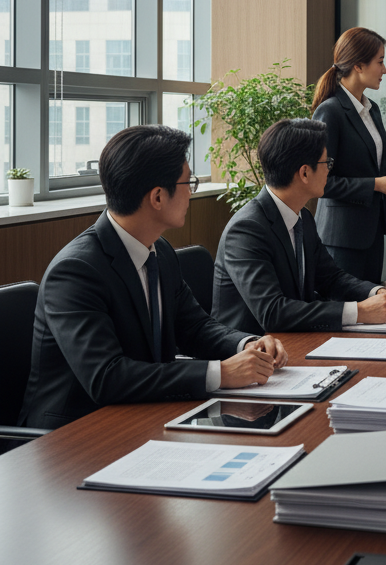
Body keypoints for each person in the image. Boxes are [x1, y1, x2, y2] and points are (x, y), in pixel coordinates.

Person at [20, 125, 286, 430]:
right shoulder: (75, 272)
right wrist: (221, 373)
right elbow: (107, 377)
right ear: (158, 197)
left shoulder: (158, 249)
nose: (190, 192)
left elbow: (194, 327)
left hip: (143, 416)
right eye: (188, 182)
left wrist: (247, 345)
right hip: (74, 435)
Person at [212, 118, 386, 334]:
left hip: (297, 340)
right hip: (252, 353)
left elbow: (330, 277)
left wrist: (377, 293)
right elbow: (272, 312)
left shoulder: (303, 217)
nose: (329, 170)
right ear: (305, 173)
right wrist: (359, 311)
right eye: (326, 163)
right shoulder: (246, 229)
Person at [310, 27, 386, 285]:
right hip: (342, 238)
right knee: (349, 315)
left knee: (371, 311)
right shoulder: (330, 111)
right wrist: (378, 185)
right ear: (358, 65)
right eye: (380, 61)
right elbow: (321, 182)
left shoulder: (372, 109)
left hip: (372, 234)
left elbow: (376, 167)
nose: (384, 70)